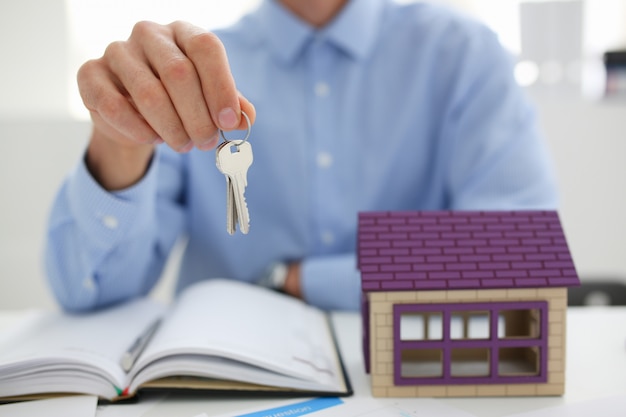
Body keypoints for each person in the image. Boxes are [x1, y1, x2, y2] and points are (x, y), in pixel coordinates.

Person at [45, 0, 559, 313]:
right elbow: (84, 291)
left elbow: (517, 252)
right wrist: (119, 141)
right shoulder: (187, 76)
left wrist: (297, 280)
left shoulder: (465, 54)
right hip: (221, 391)